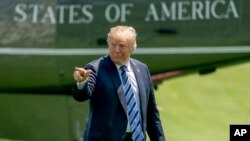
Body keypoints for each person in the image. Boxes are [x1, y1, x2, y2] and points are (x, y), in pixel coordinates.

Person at [72, 25, 166, 141]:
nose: (116, 50)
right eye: (113, 45)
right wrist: (82, 82)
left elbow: (151, 114)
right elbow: (81, 95)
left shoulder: (142, 69)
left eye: (122, 46)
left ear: (132, 47)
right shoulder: (96, 68)